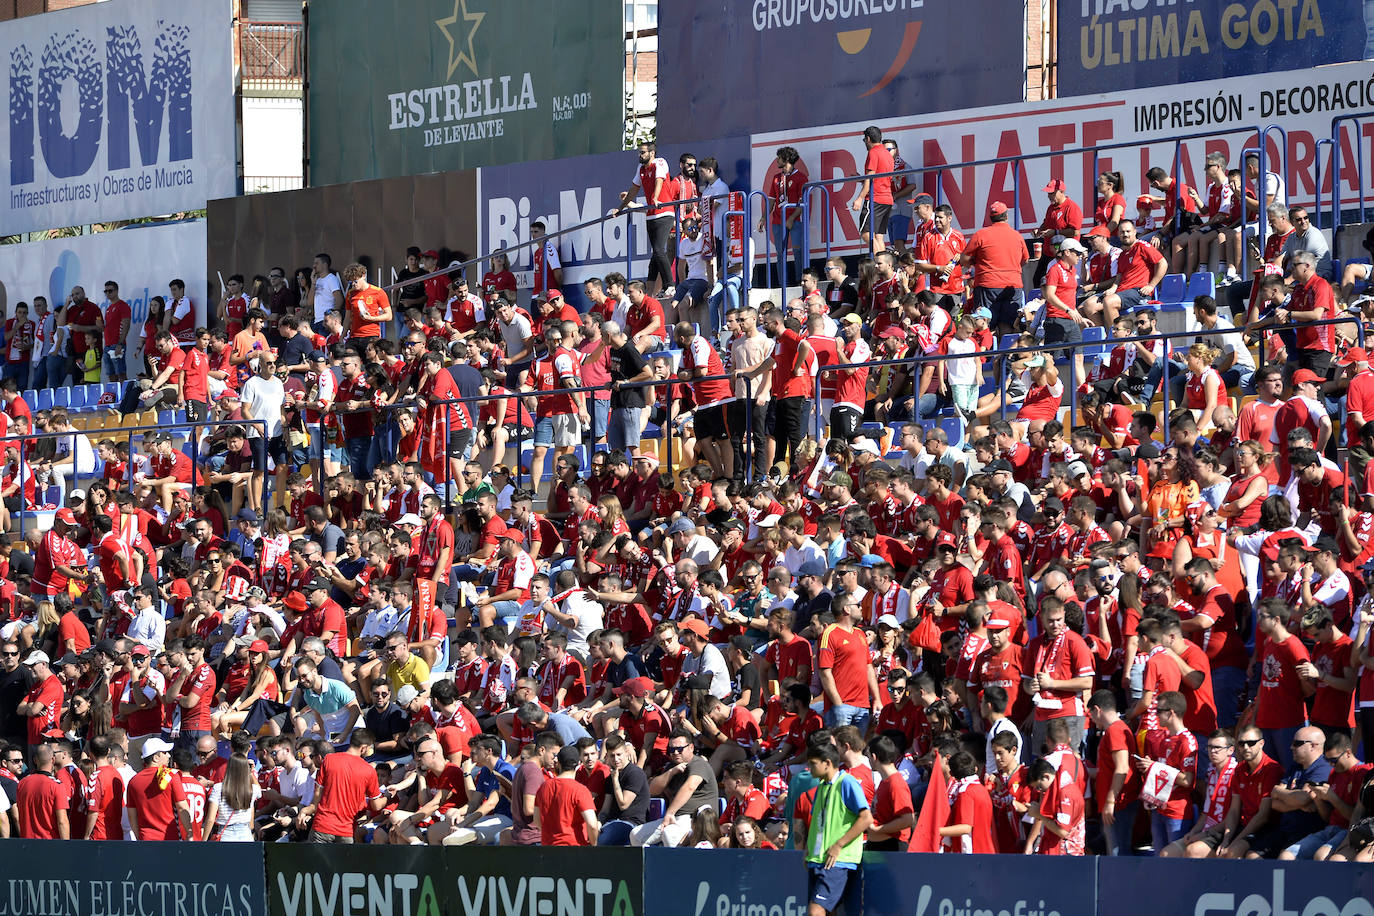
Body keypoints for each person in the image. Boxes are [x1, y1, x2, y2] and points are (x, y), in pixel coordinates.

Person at [800, 743, 870, 916]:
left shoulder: (847, 782)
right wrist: (809, 850)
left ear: (827, 763)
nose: (809, 768)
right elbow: (820, 823)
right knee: (828, 911)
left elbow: (866, 818)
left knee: (815, 910)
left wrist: (839, 845)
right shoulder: (822, 787)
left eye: (813, 763)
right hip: (819, 859)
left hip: (838, 860)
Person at [295, 729, 385, 843]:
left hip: (322, 827)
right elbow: (376, 806)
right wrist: (387, 796)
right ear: (364, 748)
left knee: (315, 861)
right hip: (347, 831)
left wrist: (309, 810)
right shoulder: (369, 770)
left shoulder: (328, 759)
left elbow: (318, 793)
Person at [535, 744, 600, 846]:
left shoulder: (543, 787)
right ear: (579, 764)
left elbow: (537, 820)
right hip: (574, 849)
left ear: (558, 763)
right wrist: (593, 845)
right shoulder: (580, 790)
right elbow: (592, 824)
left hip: (548, 849)